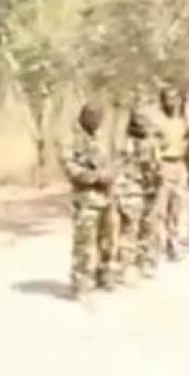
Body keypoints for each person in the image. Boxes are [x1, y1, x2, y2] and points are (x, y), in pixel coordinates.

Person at [60, 102, 117, 297]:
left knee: (108, 239)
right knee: (84, 242)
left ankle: (105, 274)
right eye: (93, 117)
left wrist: (111, 175)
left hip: (107, 196)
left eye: (99, 117)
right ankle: (81, 281)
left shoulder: (102, 136)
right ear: (84, 116)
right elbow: (69, 167)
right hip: (86, 197)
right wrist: (95, 177)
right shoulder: (72, 138)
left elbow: (112, 161)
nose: (97, 121)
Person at [114, 109, 163, 282]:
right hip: (131, 189)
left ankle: (145, 263)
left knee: (148, 227)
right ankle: (125, 266)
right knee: (130, 229)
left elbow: (156, 168)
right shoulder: (126, 144)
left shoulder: (150, 142)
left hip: (147, 189)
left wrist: (156, 185)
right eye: (139, 121)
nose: (143, 125)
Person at [155, 86, 189, 261]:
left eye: (175, 98)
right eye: (168, 99)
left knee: (177, 208)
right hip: (164, 164)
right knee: (160, 209)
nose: (172, 102)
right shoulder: (158, 122)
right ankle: (157, 244)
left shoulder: (183, 121)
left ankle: (173, 242)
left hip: (180, 165)